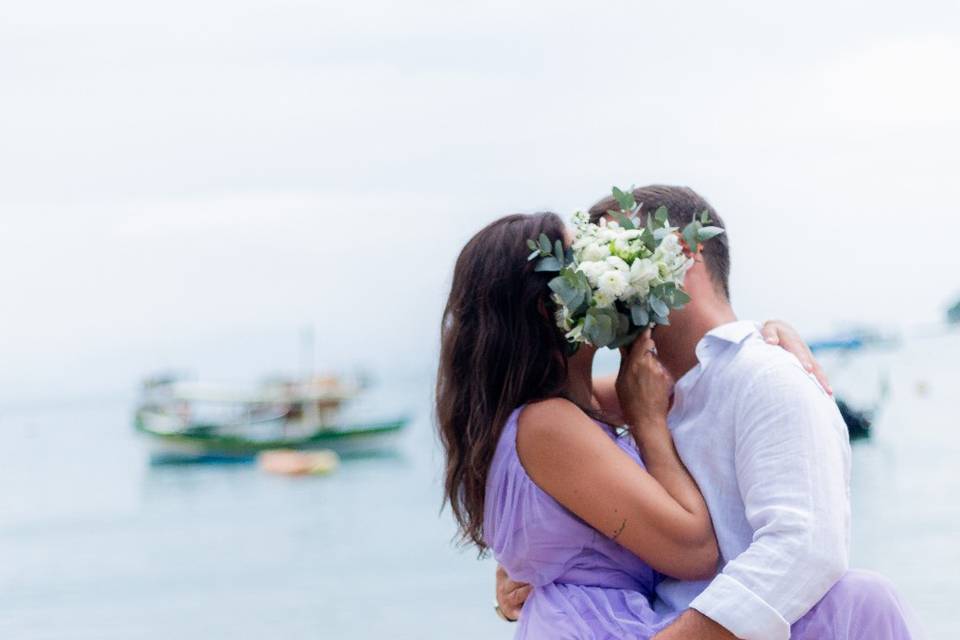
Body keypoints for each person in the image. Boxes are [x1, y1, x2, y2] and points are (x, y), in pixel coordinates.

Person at [436, 187, 917, 639]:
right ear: (545, 311)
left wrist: (772, 337)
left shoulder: (642, 393)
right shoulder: (561, 418)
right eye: (582, 271)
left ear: (684, 255)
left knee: (864, 598)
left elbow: (691, 383)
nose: (606, 285)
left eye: (612, 258)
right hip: (614, 625)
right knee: (867, 599)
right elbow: (694, 549)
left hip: (638, 620)